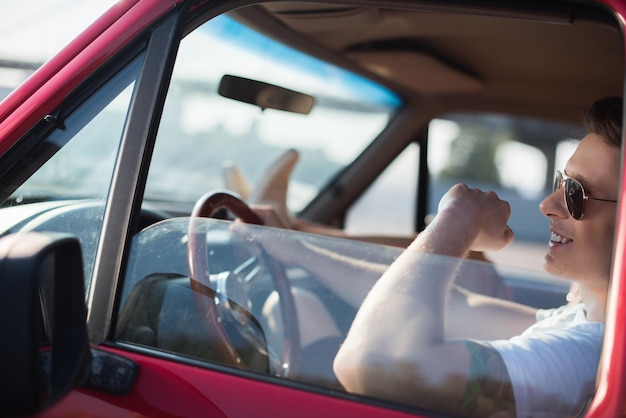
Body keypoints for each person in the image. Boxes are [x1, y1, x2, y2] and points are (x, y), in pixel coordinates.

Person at [330, 96, 622, 417]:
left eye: (575, 193)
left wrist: (457, 218)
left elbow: (374, 362)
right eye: (561, 182)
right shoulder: (585, 322)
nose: (547, 204)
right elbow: (458, 305)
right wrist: (299, 252)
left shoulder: (580, 355)